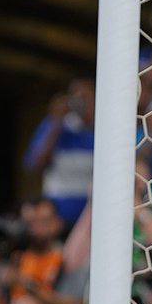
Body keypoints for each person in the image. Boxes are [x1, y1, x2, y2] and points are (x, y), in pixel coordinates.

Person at [24, 79, 96, 227]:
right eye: (76, 98)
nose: (81, 104)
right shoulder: (55, 127)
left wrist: (91, 120)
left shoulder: (105, 129)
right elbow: (35, 164)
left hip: (92, 217)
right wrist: (56, 121)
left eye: (86, 98)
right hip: (57, 218)